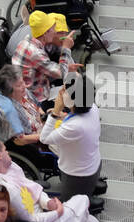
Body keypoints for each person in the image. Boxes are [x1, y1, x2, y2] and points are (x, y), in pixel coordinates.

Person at [38, 73, 104, 202]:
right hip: (91, 164)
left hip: (78, 176)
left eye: (64, 91)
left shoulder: (75, 127)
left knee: (70, 207)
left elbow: (44, 138)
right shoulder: (93, 109)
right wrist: (63, 115)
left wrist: (56, 112)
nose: (61, 92)